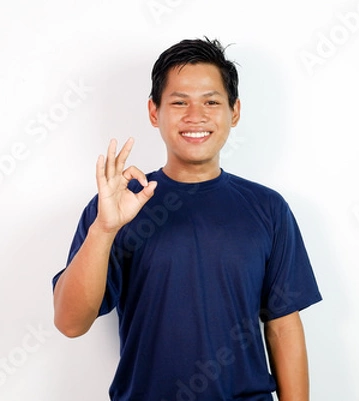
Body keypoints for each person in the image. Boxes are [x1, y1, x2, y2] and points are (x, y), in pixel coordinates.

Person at [52, 37, 322, 401]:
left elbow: (283, 325)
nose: (196, 116)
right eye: (179, 102)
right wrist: (104, 229)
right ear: (154, 111)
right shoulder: (116, 207)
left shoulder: (268, 208)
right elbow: (70, 323)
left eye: (211, 102)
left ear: (235, 111)